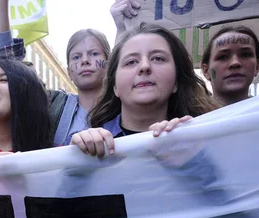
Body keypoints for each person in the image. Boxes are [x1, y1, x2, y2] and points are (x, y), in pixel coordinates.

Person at [69, 23, 219, 158]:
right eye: (131, 61)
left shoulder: (199, 139)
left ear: (176, 82)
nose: (144, 66)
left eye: (158, 58)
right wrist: (75, 160)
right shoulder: (90, 145)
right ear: (114, 86)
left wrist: (194, 158)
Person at [0, 0, 111, 146]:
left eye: (94, 54)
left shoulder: (124, 105)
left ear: (109, 65)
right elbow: (7, 64)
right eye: (76, 57)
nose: (85, 61)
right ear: (68, 73)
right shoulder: (54, 104)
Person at [201, 25, 259, 106]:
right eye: (223, 57)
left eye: (245, 55)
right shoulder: (188, 116)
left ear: (257, 66)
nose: (235, 63)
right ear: (206, 71)